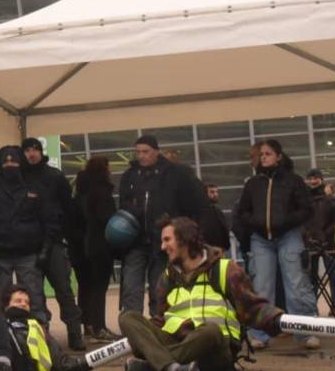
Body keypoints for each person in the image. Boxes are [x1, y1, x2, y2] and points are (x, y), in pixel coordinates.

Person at [118, 217, 284, 371]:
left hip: (215, 347)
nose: (162, 247)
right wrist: (143, 334)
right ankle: (173, 369)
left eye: (167, 240)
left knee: (210, 330)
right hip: (177, 341)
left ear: (185, 240)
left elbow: (252, 308)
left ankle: (154, 365)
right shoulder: (167, 278)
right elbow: (162, 319)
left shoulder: (225, 270)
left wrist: (277, 319)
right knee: (127, 318)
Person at [234, 139, 316, 350]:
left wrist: (286, 222)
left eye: (268, 153)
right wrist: (256, 224)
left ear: (279, 156)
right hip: (260, 240)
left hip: (289, 235)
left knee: (296, 284)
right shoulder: (252, 184)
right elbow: (242, 211)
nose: (264, 157)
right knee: (261, 286)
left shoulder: (294, 181)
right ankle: (259, 333)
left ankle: (305, 332)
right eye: (261, 154)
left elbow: (307, 208)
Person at [117, 134, 208, 315]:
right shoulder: (130, 176)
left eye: (146, 152)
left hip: (163, 242)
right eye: (138, 152)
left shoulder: (175, 174)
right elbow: (123, 204)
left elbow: (195, 202)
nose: (142, 156)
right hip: (136, 240)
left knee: (159, 286)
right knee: (131, 286)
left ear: (156, 152)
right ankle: (132, 325)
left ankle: (158, 323)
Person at [0, 145, 56, 319]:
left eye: (14, 161)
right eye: (6, 161)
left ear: (21, 162)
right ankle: (1, 342)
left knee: (34, 301)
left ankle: (40, 340)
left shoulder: (36, 190)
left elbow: (49, 222)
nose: (10, 164)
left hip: (29, 255)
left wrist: (45, 250)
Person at [20, 137, 85, 350]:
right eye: (27, 150)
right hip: (29, 245)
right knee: (34, 294)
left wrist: (67, 235)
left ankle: (75, 333)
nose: (31, 154)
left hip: (55, 242)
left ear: (41, 152)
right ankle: (43, 336)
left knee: (64, 290)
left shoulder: (54, 177)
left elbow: (69, 209)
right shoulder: (19, 178)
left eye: (35, 149)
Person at [72, 156, 119, 342]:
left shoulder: (79, 193)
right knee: (99, 287)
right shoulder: (102, 192)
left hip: (80, 247)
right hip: (99, 245)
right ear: (104, 169)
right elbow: (107, 219)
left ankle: (88, 326)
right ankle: (99, 327)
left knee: (85, 286)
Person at [303, 168, 335, 293]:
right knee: (313, 277)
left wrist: (326, 234)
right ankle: (314, 306)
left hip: (328, 242)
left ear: (321, 180)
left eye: (315, 178)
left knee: (332, 274)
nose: (313, 181)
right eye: (310, 179)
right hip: (311, 243)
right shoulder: (304, 199)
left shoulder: (329, 198)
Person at [198, 184, 231, 252]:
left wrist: (225, 246)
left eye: (216, 192)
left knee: (224, 262)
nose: (215, 194)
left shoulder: (217, 210)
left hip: (222, 249)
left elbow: (224, 229)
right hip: (208, 251)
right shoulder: (200, 211)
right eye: (212, 192)